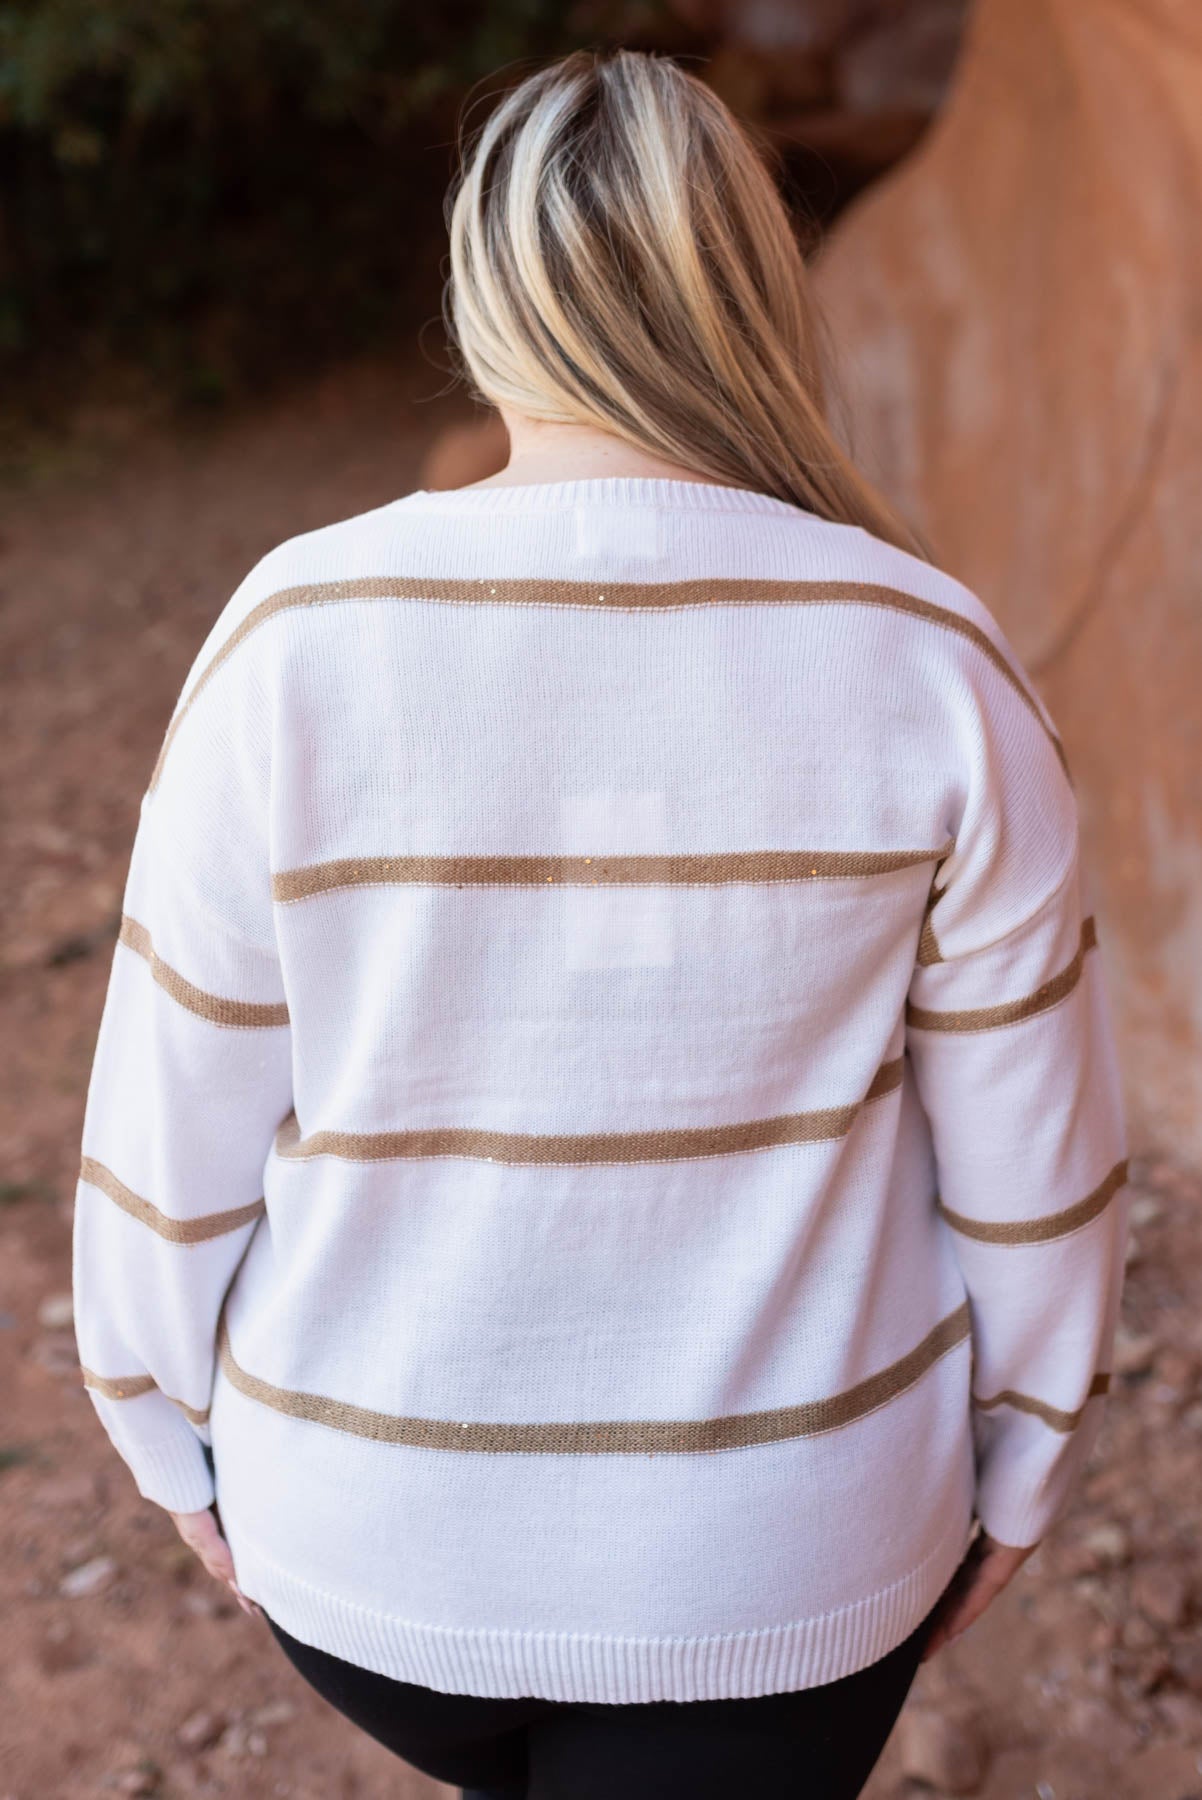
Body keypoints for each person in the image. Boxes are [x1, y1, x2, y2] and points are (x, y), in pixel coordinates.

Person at [71, 46, 1131, 1800]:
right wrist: (1021, 1464)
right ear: (753, 296)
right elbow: (1032, 1166)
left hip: (365, 1563)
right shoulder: (931, 659)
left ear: (488, 306)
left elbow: (166, 1125)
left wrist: (161, 1434)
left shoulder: (292, 634)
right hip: (786, 1576)